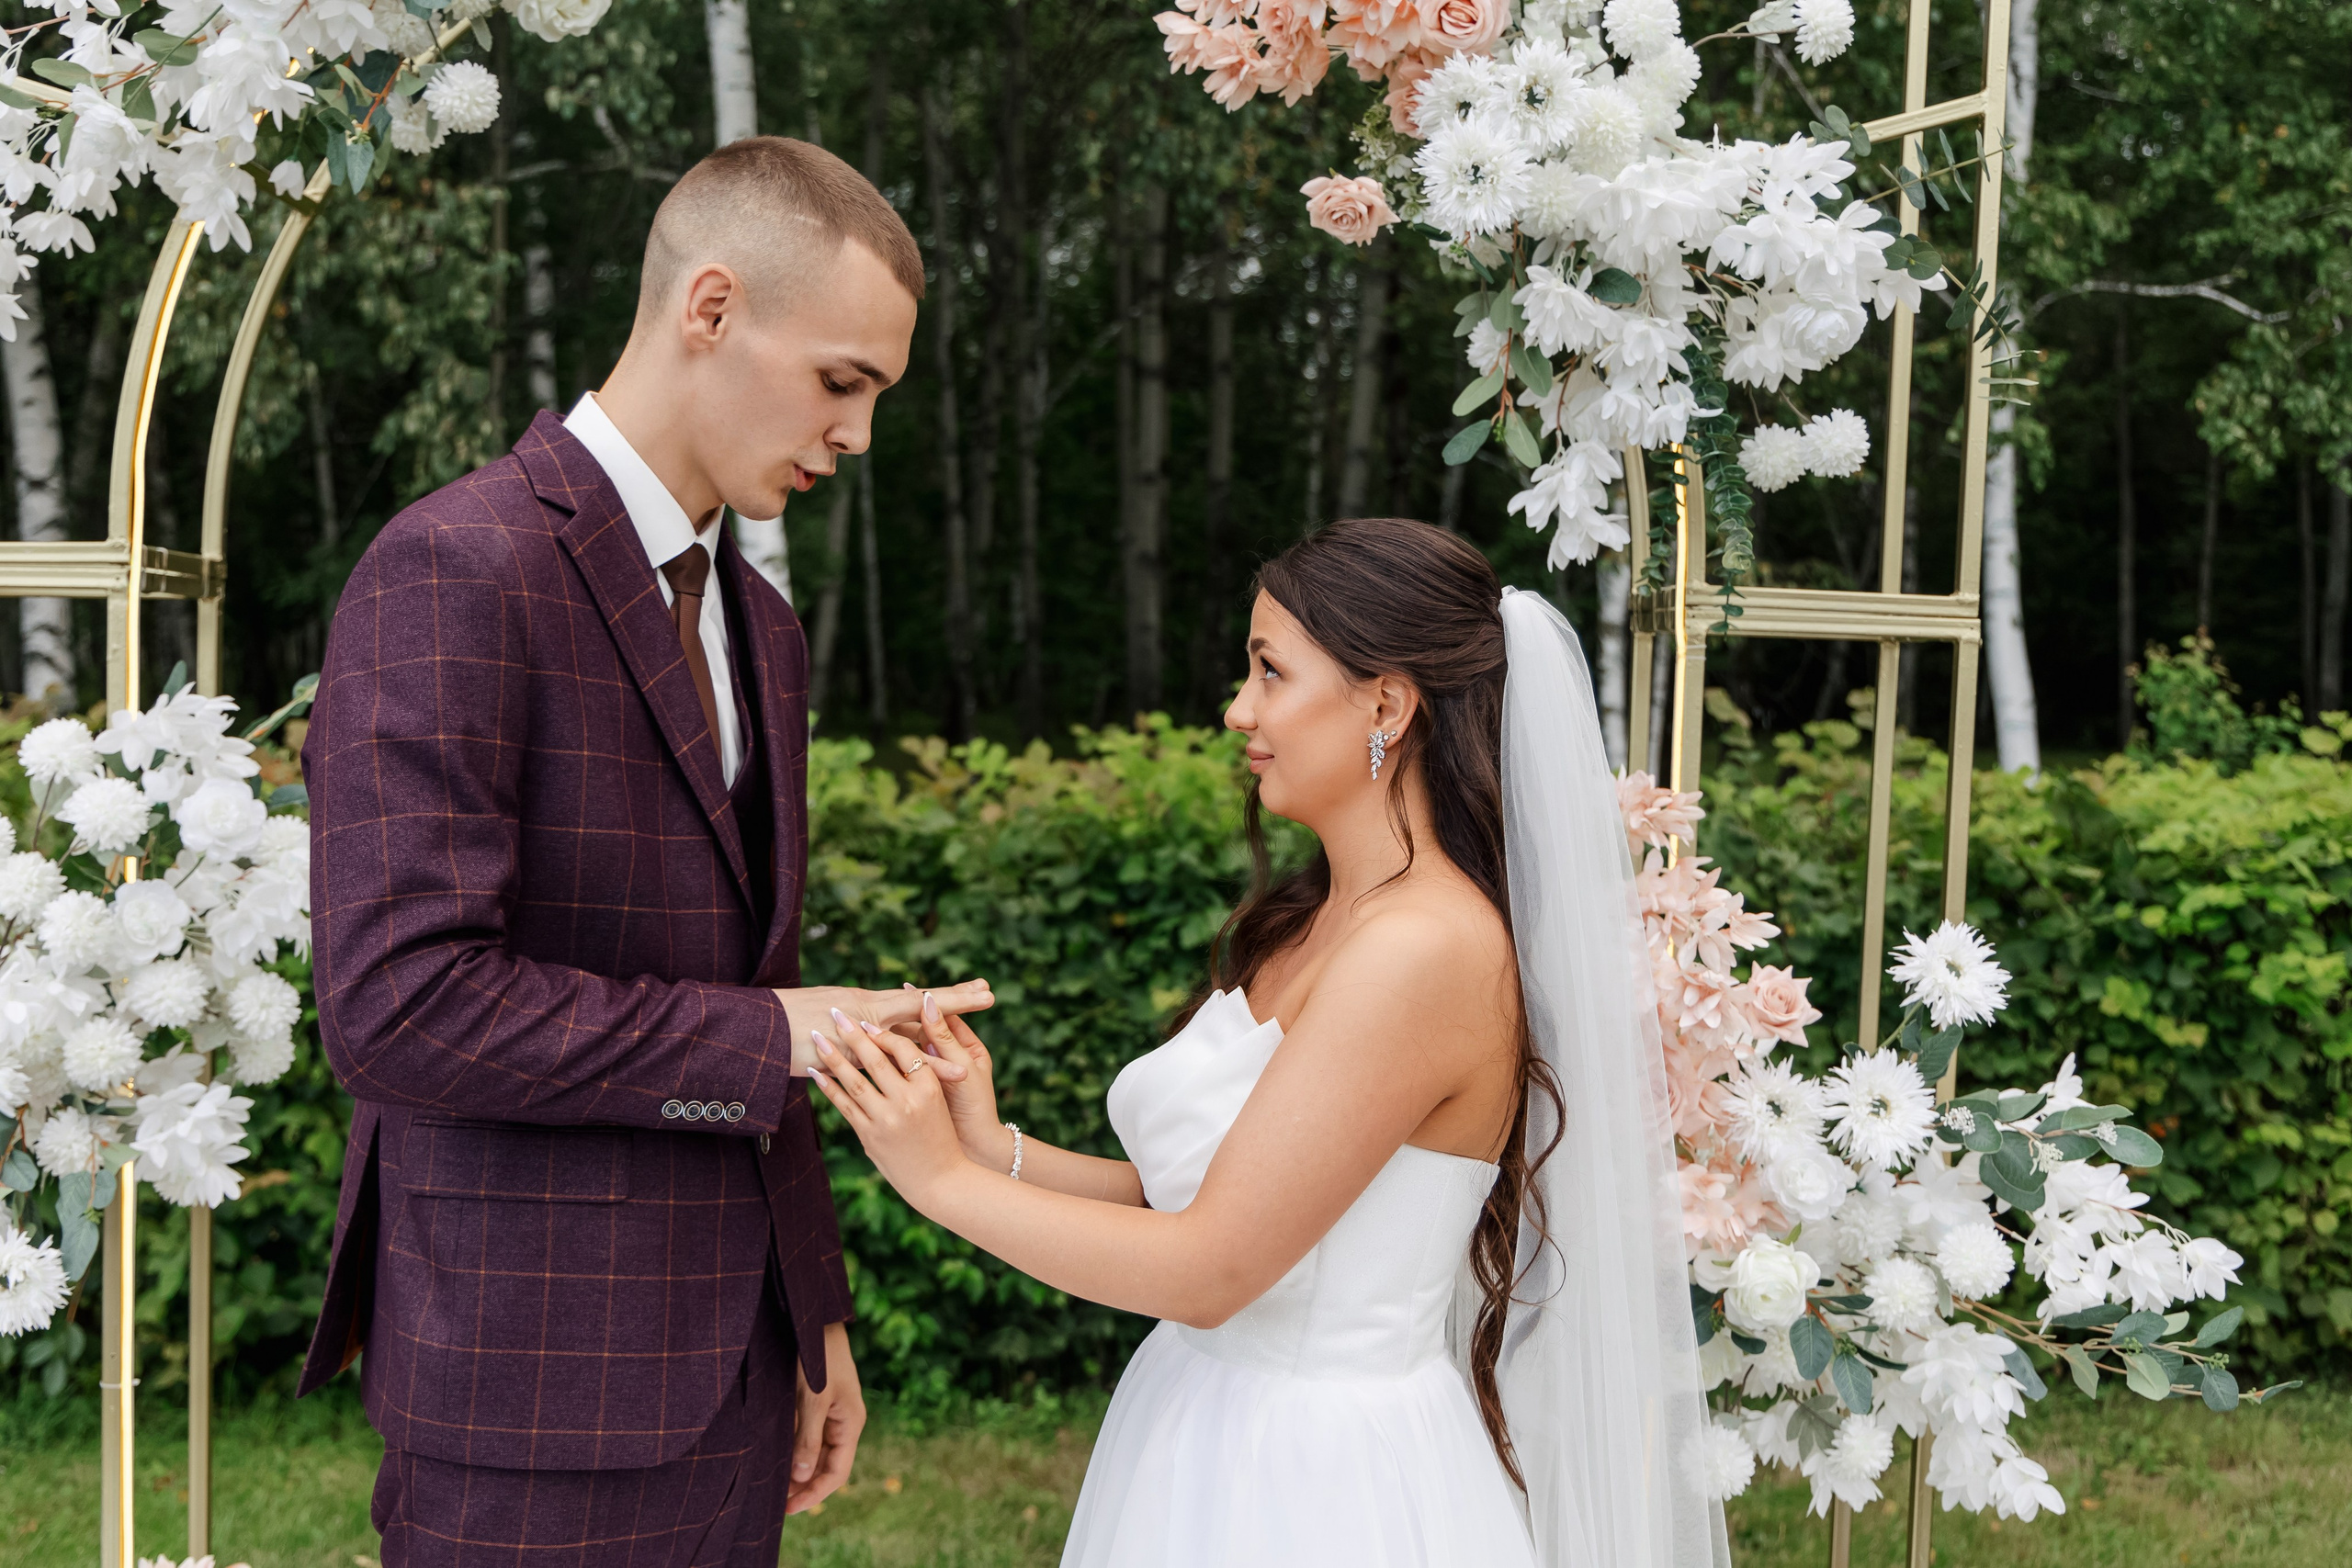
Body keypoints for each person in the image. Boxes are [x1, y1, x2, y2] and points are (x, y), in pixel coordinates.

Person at [295, 137, 992, 1568]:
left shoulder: (767, 626)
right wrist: (769, 1037)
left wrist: (814, 1314)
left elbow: (752, 979)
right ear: (713, 308)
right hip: (526, 1393)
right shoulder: (455, 565)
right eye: (843, 382)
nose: (858, 435)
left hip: (738, 1379)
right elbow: (399, 1007)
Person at [810, 518, 1728, 1568]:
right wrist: (991, 1149)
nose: (1239, 710)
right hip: (1201, 1421)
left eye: (1269, 671)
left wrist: (937, 1184)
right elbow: (1208, 1204)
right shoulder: (1314, 920)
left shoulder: (1424, 949)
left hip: (1317, 1481)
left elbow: (1210, 1270)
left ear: (1386, 703)